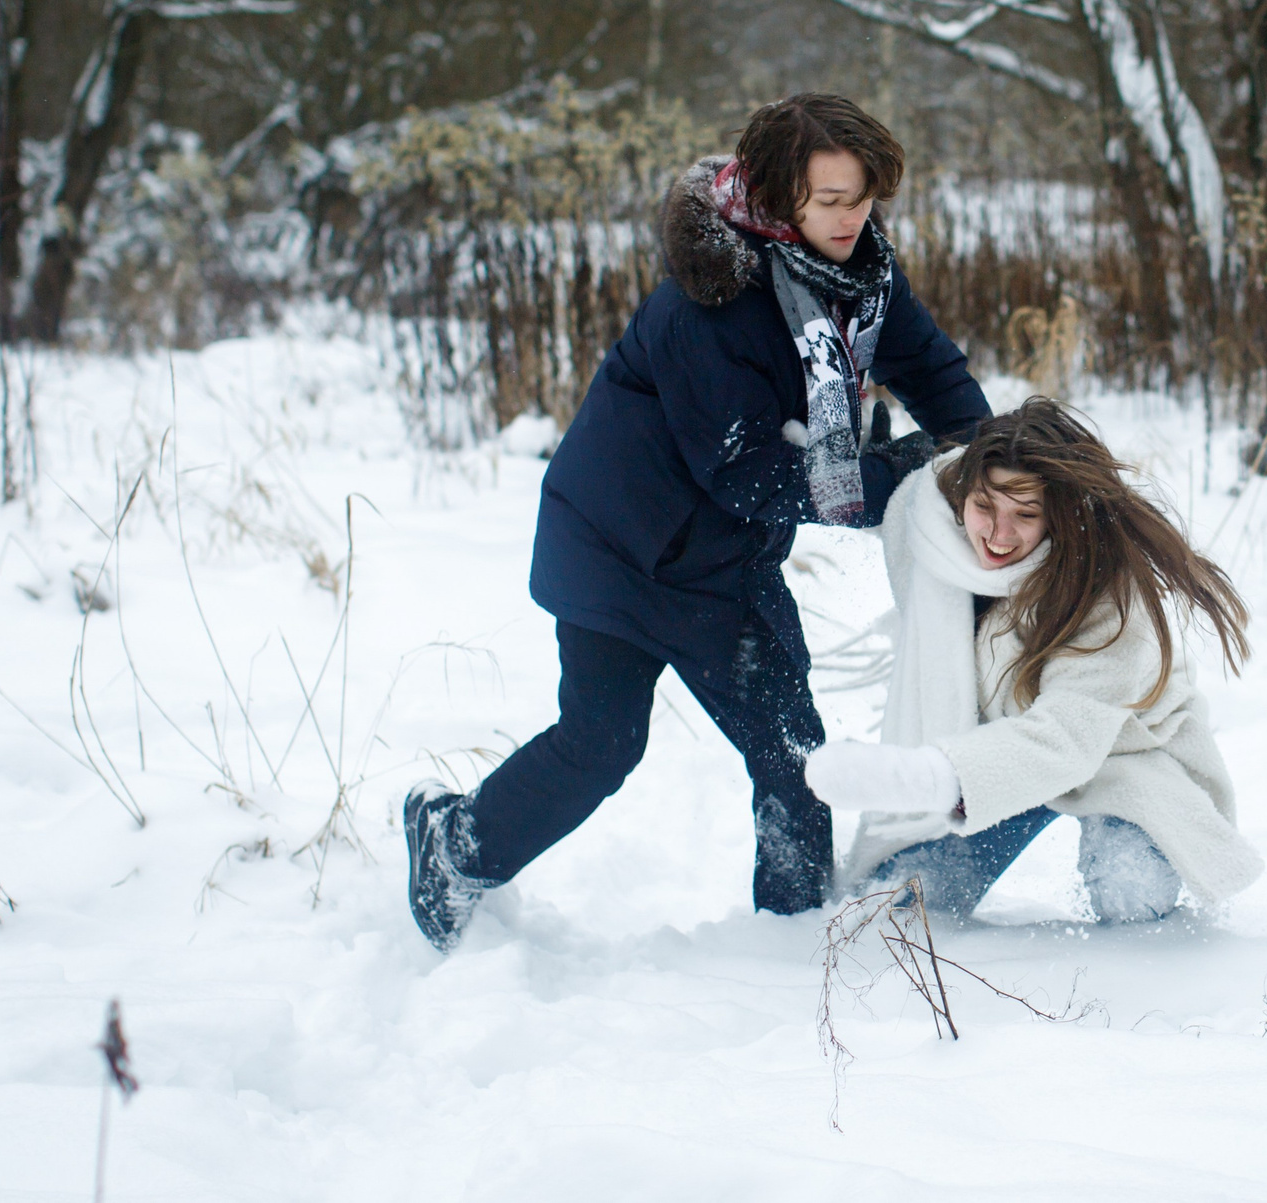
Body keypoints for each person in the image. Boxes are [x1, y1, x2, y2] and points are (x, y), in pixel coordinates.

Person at [404, 94, 991, 951]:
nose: (852, 218)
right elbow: (744, 470)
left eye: (864, 198)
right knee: (600, 744)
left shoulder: (860, 275)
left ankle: (793, 944)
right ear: (778, 195)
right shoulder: (710, 305)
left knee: (793, 756)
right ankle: (452, 845)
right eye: (831, 199)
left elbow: (931, 369)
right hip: (617, 551)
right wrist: (896, 477)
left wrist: (992, 462)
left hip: (724, 562)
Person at [803, 398, 1263, 922]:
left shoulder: (1108, 597)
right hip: (993, 760)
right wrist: (867, 464)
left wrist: (917, 778)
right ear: (961, 495)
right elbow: (894, 512)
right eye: (985, 507)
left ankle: (1146, 959)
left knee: (1130, 894)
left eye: (1025, 515)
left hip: (1118, 758)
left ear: (1061, 517)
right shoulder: (931, 526)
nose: (999, 535)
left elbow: (1063, 741)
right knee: (899, 910)